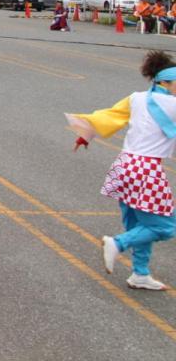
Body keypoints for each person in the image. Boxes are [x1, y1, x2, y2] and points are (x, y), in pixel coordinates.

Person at [67, 50, 176, 291]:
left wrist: (85, 135)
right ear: (166, 82)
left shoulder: (136, 98)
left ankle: (140, 274)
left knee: (139, 223)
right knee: (165, 226)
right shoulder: (172, 104)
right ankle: (118, 243)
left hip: (124, 164)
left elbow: (108, 116)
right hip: (146, 170)